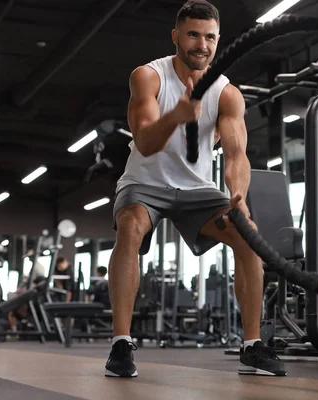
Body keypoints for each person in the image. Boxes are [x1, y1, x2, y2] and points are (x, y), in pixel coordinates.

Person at [104, 0, 286, 378]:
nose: (201, 44)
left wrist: (238, 193)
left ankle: (252, 345)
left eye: (209, 37)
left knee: (247, 236)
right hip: (145, 183)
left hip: (197, 190)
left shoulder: (226, 93)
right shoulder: (148, 77)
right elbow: (146, 141)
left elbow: (237, 154)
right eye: (192, 35)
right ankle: (121, 344)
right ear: (176, 36)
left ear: (218, 41)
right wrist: (176, 114)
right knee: (130, 227)